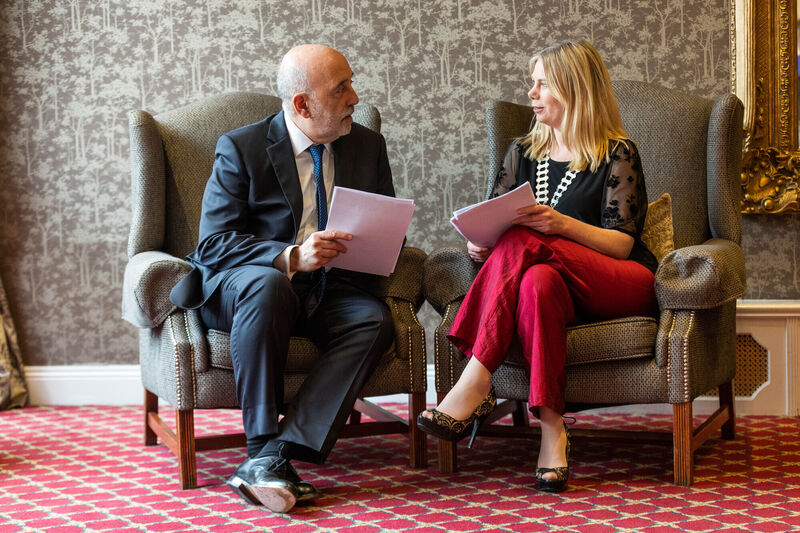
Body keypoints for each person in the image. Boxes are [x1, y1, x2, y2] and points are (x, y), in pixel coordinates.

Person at [417, 40, 658, 493]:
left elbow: (623, 244)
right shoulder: (521, 152)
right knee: (537, 283)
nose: (531, 93)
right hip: (551, 287)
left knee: (525, 238)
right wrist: (480, 245)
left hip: (617, 282)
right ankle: (552, 430)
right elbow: (494, 225)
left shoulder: (617, 152)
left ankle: (475, 377)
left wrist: (559, 225)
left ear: (574, 89)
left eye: (542, 84)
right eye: (533, 83)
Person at [169, 44, 396, 513]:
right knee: (268, 285)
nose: (355, 97)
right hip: (249, 288)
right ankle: (260, 444)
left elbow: (384, 221)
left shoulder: (367, 145)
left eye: (352, 83)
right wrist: (291, 256)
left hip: (329, 288)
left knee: (373, 318)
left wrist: (376, 242)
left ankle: (277, 453)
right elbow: (214, 243)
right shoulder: (242, 147)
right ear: (302, 104)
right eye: (341, 88)